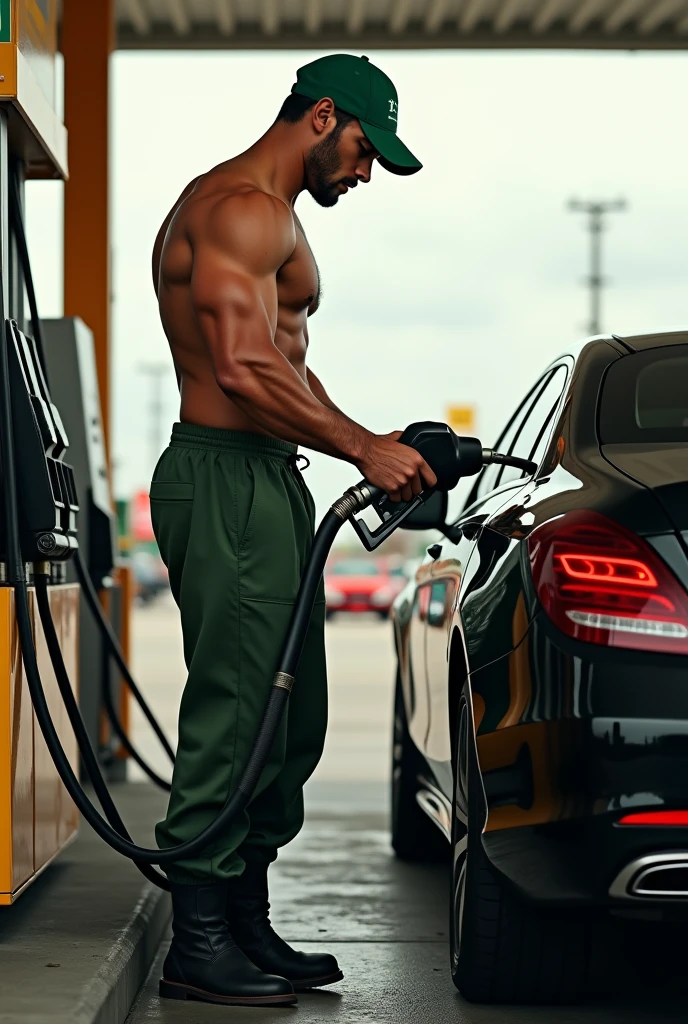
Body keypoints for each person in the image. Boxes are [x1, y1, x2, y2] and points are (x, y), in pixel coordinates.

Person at [151, 53, 436, 1008]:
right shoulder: (237, 208)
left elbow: (287, 368)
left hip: (272, 477)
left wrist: (371, 439)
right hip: (223, 478)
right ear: (322, 117)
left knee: (290, 714)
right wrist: (360, 450)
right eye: (364, 149)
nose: (364, 173)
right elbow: (238, 366)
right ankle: (196, 939)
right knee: (237, 708)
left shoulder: (280, 223)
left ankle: (244, 919)